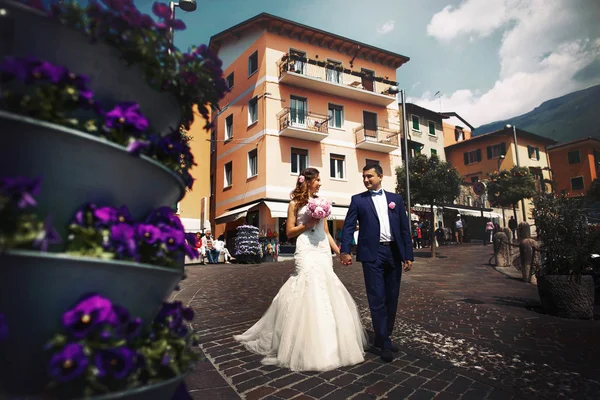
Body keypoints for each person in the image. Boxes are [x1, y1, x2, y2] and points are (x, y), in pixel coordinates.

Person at [234, 168, 367, 371]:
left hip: (322, 249)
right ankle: (301, 342)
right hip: (305, 247)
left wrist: (339, 251)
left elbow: (326, 232)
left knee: (326, 285)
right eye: (318, 180)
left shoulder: (321, 202)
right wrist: (308, 223)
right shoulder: (294, 204)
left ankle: (331, 341)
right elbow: (288, 232)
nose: (320, 183)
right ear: (308, 181)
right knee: (306, 284)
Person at [340, 164, 414, 363]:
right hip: (372, 254)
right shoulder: (358, 200)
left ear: (380, 176)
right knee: (376, 298)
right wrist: (345, 251)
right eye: (364, 177)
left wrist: (408, 254)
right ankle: (385, 341)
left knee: (392, 297)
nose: (366, 180)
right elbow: (348, 227)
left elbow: (404, 228)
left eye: (369, 176)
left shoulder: (396, 200)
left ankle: (384, 336)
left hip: (393, 252)